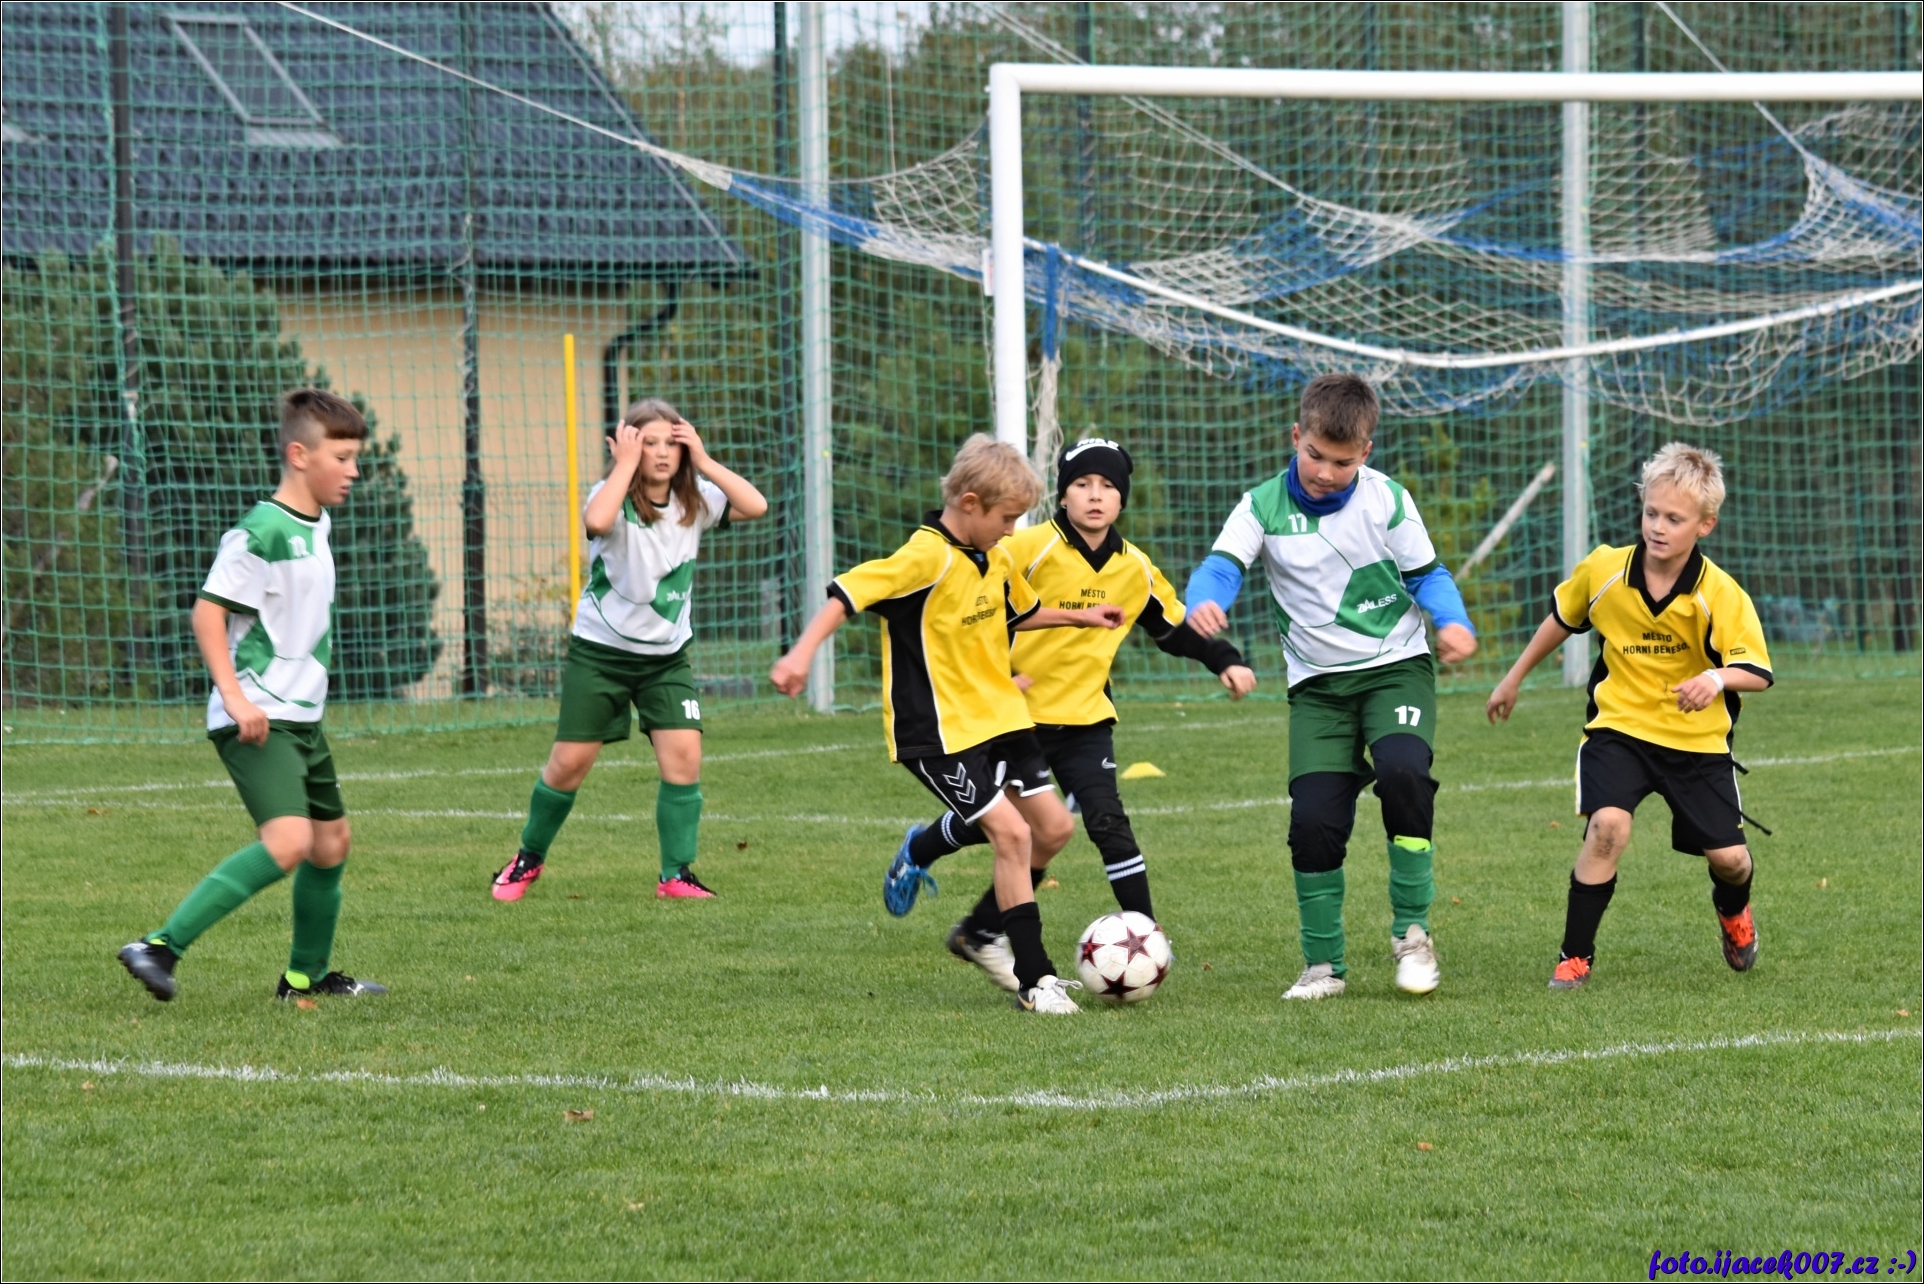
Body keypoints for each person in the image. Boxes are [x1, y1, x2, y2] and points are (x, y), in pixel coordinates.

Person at [770, 435, 1124, 1014]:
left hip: (1001, 717)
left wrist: (1081, 617)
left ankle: (957, 897)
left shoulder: (997, 557)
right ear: (969, 503)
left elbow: (1023, 611)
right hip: (938, 734)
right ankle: (1036, 980)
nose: (1011, 530)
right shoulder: (924, 558)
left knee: (1054, 830)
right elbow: (846, 594)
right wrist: (800, 656)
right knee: (1012, 835)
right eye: (1005, 518)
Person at [883, 437, 1256, 929]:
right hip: (1014, 717)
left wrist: (1225, 660)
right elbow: (971, 610)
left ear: (1122, 499)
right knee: (1004, 822)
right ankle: (921, 849)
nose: (1095, 495)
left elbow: (1173, 629)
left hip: (1086, 719)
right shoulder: (1023, 548)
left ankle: (1141, 935)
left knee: (1107, 822)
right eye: (1082, 484)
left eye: (1108, 486)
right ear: (1062, 495)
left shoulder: (1135, 568)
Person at [1185, 373, 1477, 1000]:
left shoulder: (1387, 500)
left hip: (1395, 668)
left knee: (1404, 773)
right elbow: (1221, 566)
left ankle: (1412, 935)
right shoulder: (1261, 505)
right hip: (1317, 688)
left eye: (1342, 463)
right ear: (1297, 436)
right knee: (1314, 822)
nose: (1324, 472)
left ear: (1365, 452)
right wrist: (1205, 600)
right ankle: (1324, 968)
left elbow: (1428, 575)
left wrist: (1453, 620)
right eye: (1315, 454)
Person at [117, 388, 384, 1002]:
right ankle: (157, 947)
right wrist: (235, 699)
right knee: (290, 842)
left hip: (301, 717)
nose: (353, 471)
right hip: (259, 715)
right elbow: (207, 614)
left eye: (355, 458)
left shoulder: (318, 524)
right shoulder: (260, 532)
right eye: (342, 458)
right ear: (299, 455)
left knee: (330, 844)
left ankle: (304, 978)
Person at [1487, 442, 1772, 989]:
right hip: (1619, 730)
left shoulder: (1720, 593)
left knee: (1731, 861)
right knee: (1607, 829)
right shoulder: (1605, 570)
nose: (1658, 527)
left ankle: (1734, 912)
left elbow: (1756, 671)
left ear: (1705, 525)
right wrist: (1513, 677)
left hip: (1696, 741)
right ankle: (1575, 957)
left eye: (1674, 519)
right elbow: (1562, 617)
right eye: (1651, 513)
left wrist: (1715, 678)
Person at [491, 398, 767, 902]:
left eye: (670, 444)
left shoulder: (697, 501)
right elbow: (596, 521)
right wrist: (623, 465)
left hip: (666, 660)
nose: (660, 453)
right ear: (628, 447)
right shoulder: (612, 495)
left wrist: (704, 460)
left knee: (684, 756)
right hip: (600, 655)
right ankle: (528, 857)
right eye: (648, 443)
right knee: (568, 764)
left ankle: (676, 875)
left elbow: (756, 505)